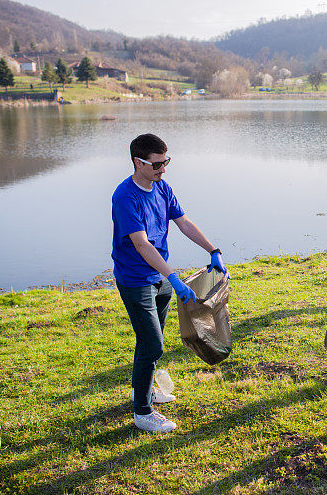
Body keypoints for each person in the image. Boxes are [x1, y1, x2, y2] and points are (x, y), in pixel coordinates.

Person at [112, 133, 228, 433]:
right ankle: (142, 412)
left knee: (150, 341)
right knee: (152, 344)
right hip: (137, 279)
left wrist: (212, 249)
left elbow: (184, 222)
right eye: (157, 164)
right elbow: (141, 245)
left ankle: (146, 389)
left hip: (160, 276)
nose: (163, 169)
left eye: (167, 162)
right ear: (138, 163)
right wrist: (173, 276)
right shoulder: (125, 197)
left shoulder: (162, 187)